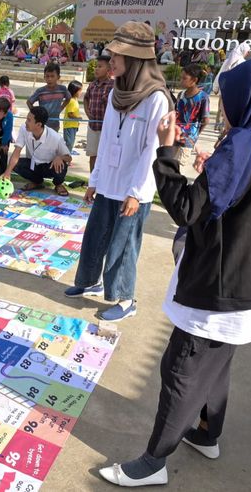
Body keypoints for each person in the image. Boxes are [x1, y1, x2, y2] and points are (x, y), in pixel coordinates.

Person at [99, 57, 251, 488]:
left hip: (221, 280)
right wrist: (217, 167)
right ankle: (207, 433)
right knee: (216, 362)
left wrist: (167, 152)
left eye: (228, 96)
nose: (223, 105)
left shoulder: (245, 143)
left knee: (183, 369)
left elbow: (187, 209)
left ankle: (153, 463)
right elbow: (241, 196)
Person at [64, 21, 171, 322]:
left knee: (123, 245)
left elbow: (151, 151)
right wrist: (94, 180)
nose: (111, 62)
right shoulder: (115, 93)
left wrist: (136, 193)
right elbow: (108, 136)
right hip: (108, 182)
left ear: (135, 60)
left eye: (117, 57)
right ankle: (89, 281)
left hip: (133, 189)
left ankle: (125, 299)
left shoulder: (156, 99)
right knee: (96, 235)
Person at [0, 107, 71, 197]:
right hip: (34, 164)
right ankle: (37, 182)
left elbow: (69, 157)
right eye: (26, 119)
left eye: (29, 120)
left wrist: (60, 157)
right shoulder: (24, 129)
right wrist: (7, 172)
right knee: (16, 164)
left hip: (50, 166)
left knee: (62, 164)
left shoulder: (55, 137)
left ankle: (58, 184)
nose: (26, 122)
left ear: (38, 124)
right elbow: (17, 151)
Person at [174, 63, 210, 166]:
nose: (181, 81)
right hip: (175, 134)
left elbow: (206, 120)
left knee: (178, 165)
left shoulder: (203, 97)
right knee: (170, 163)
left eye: (184, 78)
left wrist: (195, 135)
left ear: (194, 80)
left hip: (187, 139)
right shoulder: (181, 95)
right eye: (181, 78)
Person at [83, 55, 112, 172]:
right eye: (96, 66)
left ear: (109, 70)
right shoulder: (92, 85)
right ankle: (92, 180)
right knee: (93, 154)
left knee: (105, 155)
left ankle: (103, 181)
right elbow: (86, 98)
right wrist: (87, 111)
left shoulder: (113, 85)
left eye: (100, 66)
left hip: (107, 127)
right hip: (93, 126)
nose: (96, 69)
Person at [28, 63, 71, 132]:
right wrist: (36, 114)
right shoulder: (40, 91)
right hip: (42, 125)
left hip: (55, 125)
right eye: (47, 76)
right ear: (44, 77)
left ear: (58, 77)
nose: (49, 79)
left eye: (52, 76)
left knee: (53, 141)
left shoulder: (62, 89)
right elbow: (29, 102)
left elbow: (69, 98)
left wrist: (61, 107)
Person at [62, 81, 82, 152]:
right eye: (80, 90)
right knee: (69, 144)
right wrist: (78, 118)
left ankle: (67, 159)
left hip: (73, 126)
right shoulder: (72, 101)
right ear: (75, 90)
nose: (81, 92)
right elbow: (70, 114)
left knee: (71, 143)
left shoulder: (75, 100)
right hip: (69, 126)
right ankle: (65, 160)